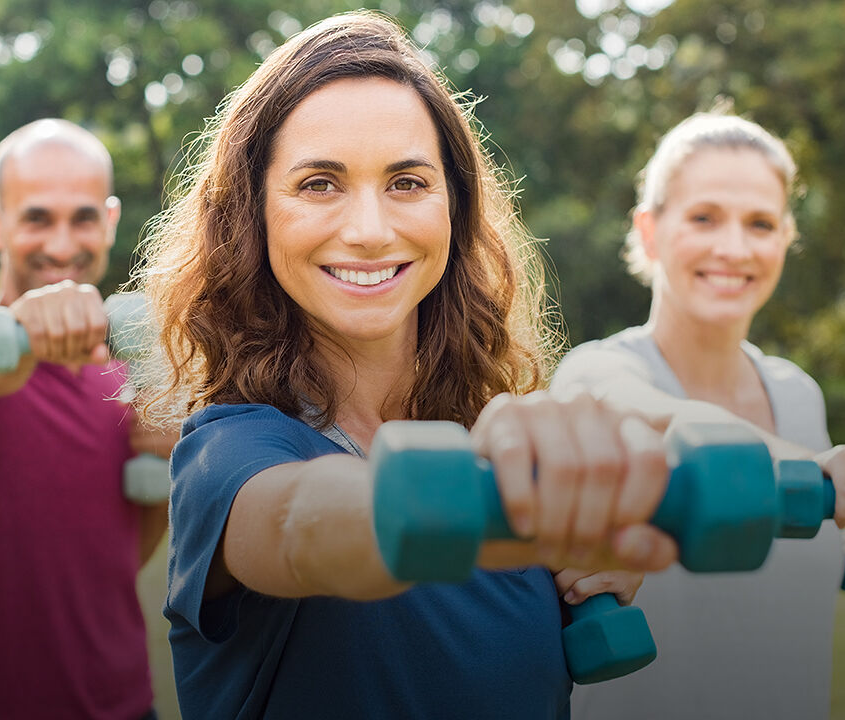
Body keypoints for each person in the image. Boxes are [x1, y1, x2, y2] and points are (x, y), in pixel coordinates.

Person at [137, 13, 694, 719]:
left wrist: (584, 532)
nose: (369, 231)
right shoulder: (229, 453)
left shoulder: (502, 461)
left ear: (455, 210)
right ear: (254, 215)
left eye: (406, 182)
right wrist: (494, 507)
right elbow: (303, 524)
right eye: (318, 184)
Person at [552, 110, 845, 719]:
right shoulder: (595, 374)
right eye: (704, 218)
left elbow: (767, 579)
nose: (733, 248)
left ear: (785, 238)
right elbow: (674, 427)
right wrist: (842, 477)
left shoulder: (798, 394)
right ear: (650, 233)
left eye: (760, 224)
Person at [0, 119, 172, 719]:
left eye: (83, 218)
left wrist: (164, 466)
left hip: (126, 706)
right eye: (38, 218)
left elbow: (118, 556)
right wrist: (22, 328)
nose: (63, 244)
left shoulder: (132, 378)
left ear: (112, 220)